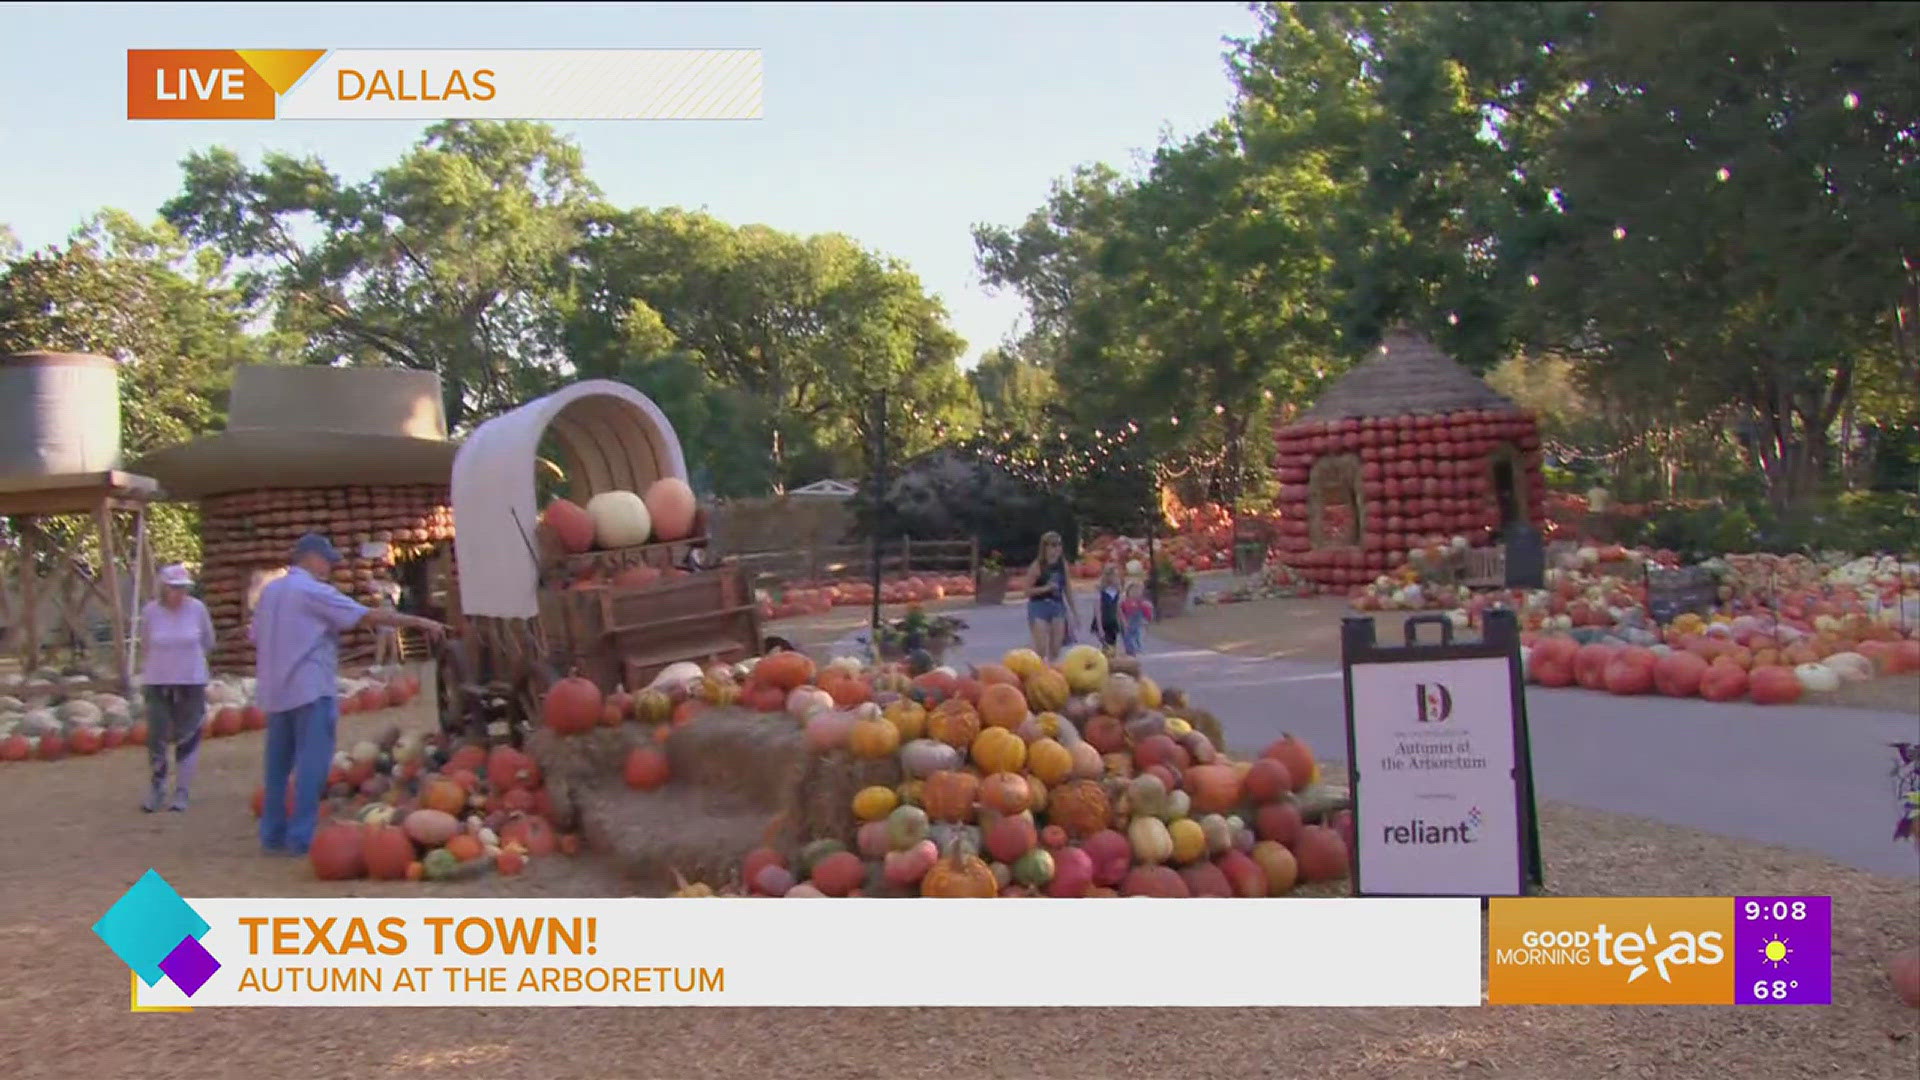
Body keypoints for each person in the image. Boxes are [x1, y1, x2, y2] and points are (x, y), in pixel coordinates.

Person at [253, 533, 446, 856]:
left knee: (277, 767)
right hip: (311, 689)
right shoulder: (312, 591)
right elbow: (369, 616)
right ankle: (301, 836)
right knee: (311, 766)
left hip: (275, 690)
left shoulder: (270, 593)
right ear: (309, 557)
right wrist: (420, 621)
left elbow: (254, 635)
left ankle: (271, 835)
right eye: (326, 559)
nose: (330, 566)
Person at [137, 564, 216, 812]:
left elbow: (208, 641)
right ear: (164, 588)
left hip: (190, 680)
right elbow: (145, 644)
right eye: (174, 588)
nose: (180, 593)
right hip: (158, 680)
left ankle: (182, 790)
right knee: (157, 736)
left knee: (188, 735)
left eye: (184, 588)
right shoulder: (151, 612)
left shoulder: (197, 609)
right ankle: (157, 787)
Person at [1023, 531, 1080, 663]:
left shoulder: (1061, 564)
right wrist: (1046, 588)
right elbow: (1026, 591)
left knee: (1056, 648)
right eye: (1053, 545)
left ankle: (1052, 673)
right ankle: (1035, 668)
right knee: (1041, 648)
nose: (1057, 549)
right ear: (1045, 548)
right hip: (1039, 605)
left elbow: (1067, 589)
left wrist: (1074, 612)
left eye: (1059, 545)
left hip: (1057, 605)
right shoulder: (1038, 566)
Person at [1090, 563, 1123, 654]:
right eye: (1113, 575)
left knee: (1112, 645)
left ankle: (1111, 662)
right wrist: (1100, 628)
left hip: (1112, 622)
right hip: (1103, 621)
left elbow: (1117, 608)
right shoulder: (1101, 592)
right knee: (1107, 645)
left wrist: (1122, 622)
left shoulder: (1116, 591)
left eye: (1117, 576)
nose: (1116, 578)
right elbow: (1097, 610)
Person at [1119, 580, 1156, 657]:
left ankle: (1137, 650)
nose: (1136, 593)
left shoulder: (1143, 603)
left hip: (1138, 625)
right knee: (1128, 638)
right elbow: (1120, 612)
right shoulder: (1124, 602)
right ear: (1128, 591)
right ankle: (1130, 651)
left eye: (1138, 591)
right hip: (1127, 624)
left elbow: (1148, 614)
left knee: (1138, 637)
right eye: (1134, 591)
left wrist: (1147, 620)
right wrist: (1123, 621)